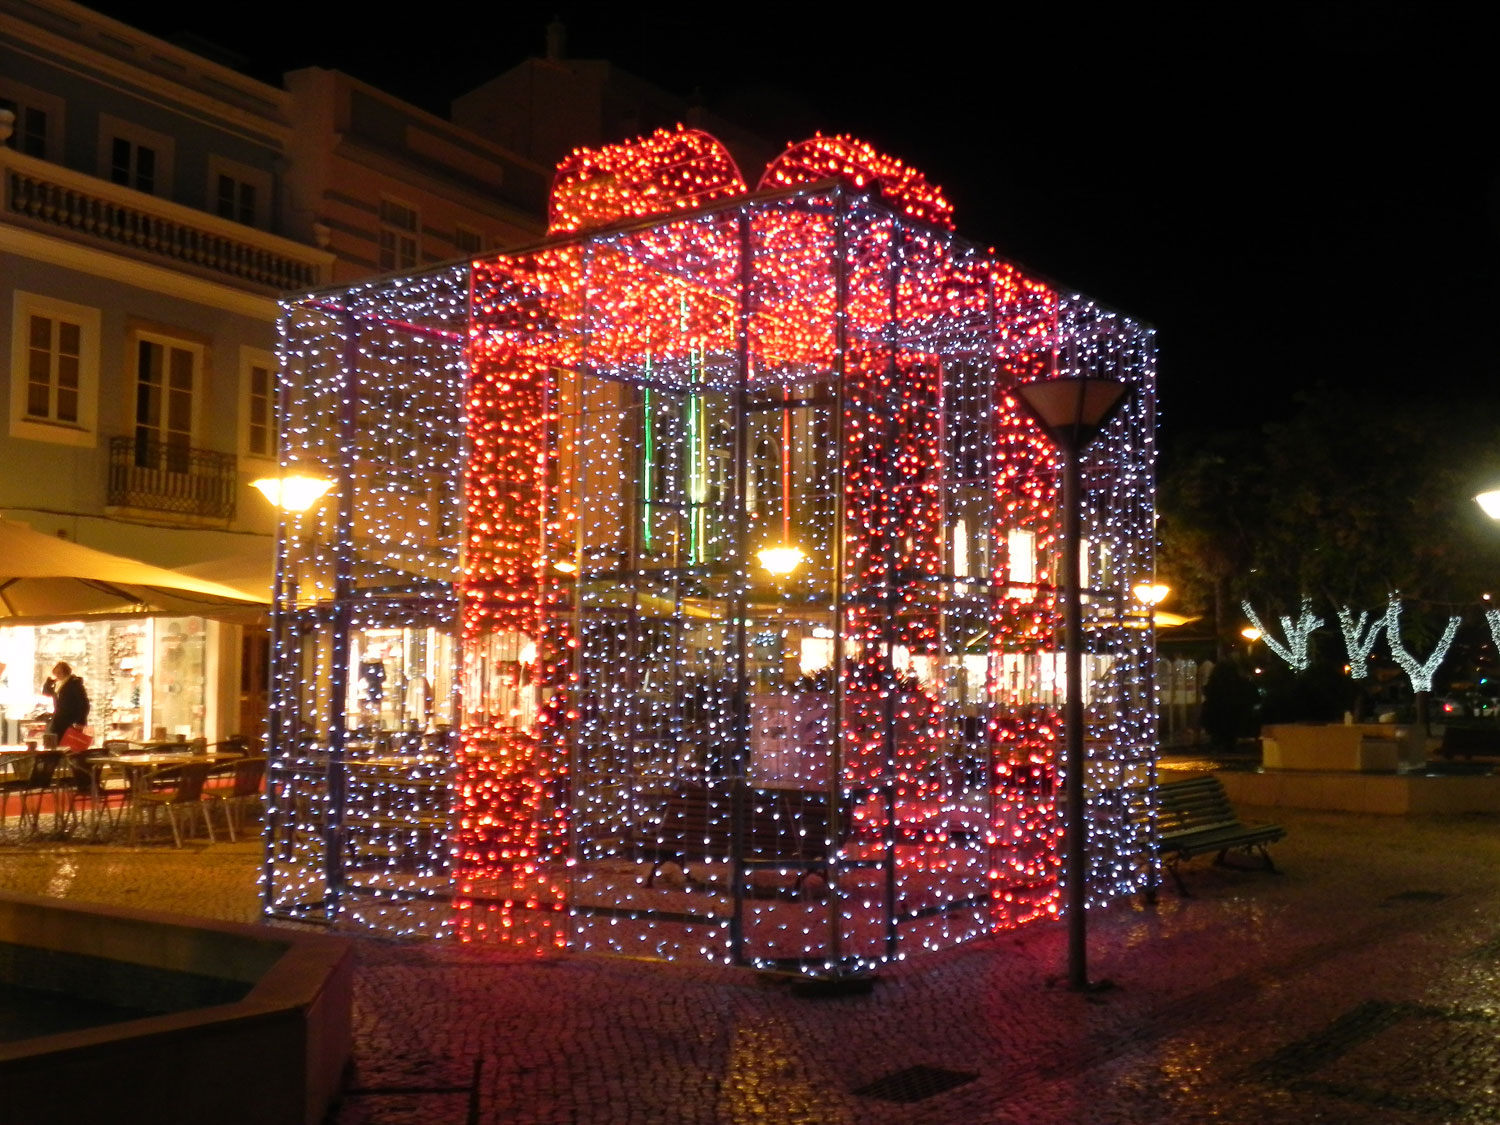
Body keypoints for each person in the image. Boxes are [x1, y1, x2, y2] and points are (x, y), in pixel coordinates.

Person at [42, 661, 90, 742]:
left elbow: (83, 703)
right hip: (59, 720)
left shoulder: (74, 684)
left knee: (69, 743)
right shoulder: (59, 685)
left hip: (70, 720)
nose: (57, 675)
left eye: (59, 673)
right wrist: (48, 682)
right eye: (56, 673)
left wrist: (81, 721)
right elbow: (46, 692)